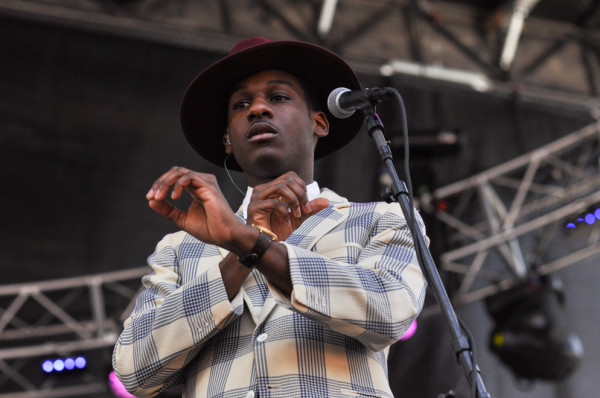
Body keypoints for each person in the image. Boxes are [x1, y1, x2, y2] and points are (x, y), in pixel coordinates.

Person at [112, 36, 428, 398]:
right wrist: (241, 251)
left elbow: (390, 311)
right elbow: (133, 371)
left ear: (320, 123)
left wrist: (250, 243)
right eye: (241, 104)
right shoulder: (180, 248)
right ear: (228, 140)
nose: (258, 109)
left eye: (277, 97)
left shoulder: (382, 220)